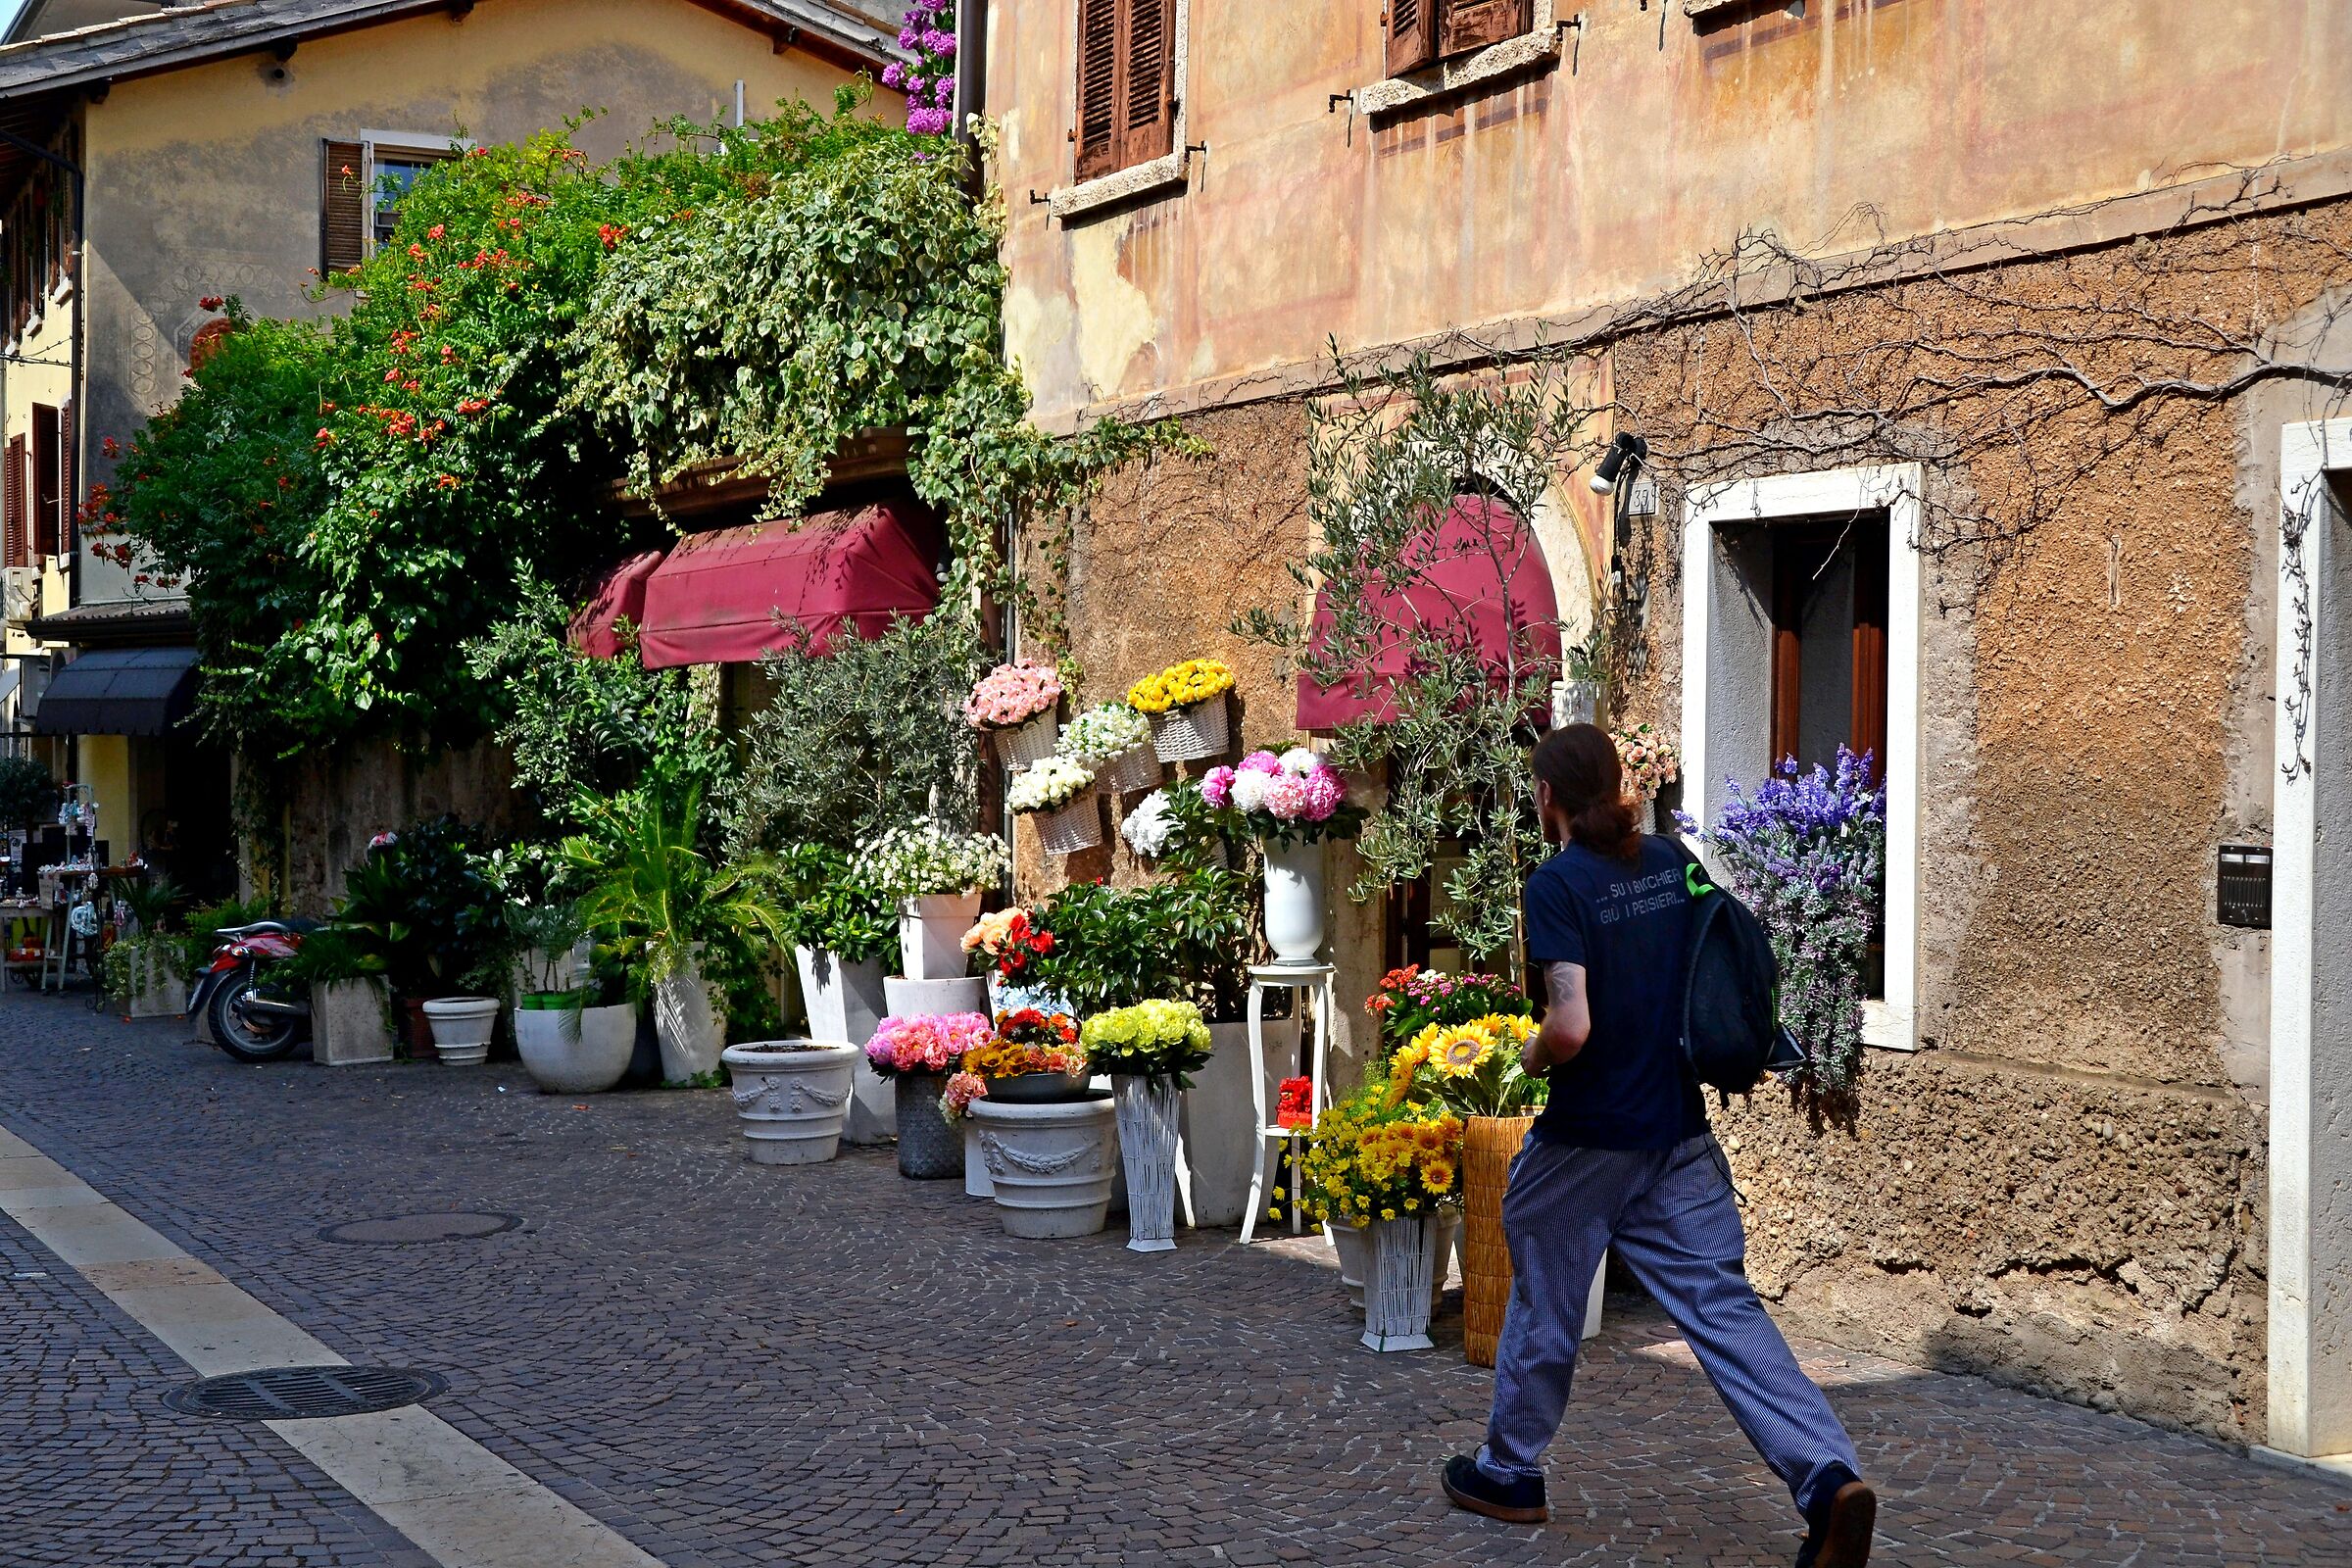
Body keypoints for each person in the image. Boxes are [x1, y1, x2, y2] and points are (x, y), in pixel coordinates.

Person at [1440, 723, 1878, 1568]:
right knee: (1723, 1309)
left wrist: (1530, 1052)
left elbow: (1570, 1027)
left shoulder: (1558, 883)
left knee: (1545, 1288)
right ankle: (1827, 1479)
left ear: (1547, 799)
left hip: (1589, 1136)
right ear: (1615, 785)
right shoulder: (1673, 862)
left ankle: (1510, 1469)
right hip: (1678, 1132)